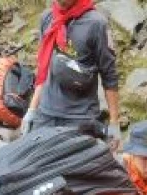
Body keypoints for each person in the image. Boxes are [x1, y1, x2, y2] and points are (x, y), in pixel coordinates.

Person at [21, 0, 121, 150]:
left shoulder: (96, 24)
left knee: (73, 170)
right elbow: (43, 68)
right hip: (46, 113)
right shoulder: (48, 18)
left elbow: (109, 75)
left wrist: (114, 123)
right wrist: (32, 110)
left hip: (80, 117)